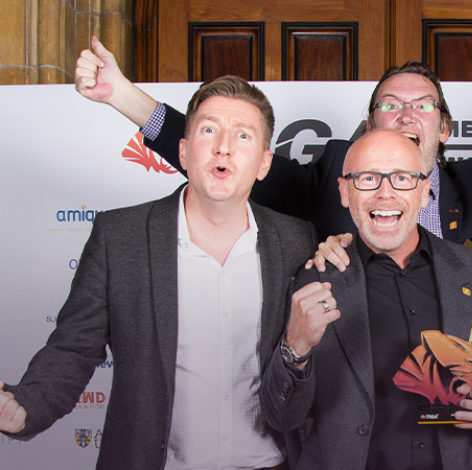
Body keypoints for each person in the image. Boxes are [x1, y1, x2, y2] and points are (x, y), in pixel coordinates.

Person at [74, 40, 472, 247]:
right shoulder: (328, 176)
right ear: (369, 126)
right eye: (389, 105)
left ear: (444, 129)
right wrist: (123, 96)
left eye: (422, 105)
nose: (404, 114)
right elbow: (225, 160)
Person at [0, 76, 316, 470]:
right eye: (209, 130)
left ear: (264, 163)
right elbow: (74, 347)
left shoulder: (297, 241)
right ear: (183, 151)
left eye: (243, 135)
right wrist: (27, 406)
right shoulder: (121, 236)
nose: (224, 146)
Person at [260, 129, 472, 469]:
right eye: (368, 178)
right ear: (345, 192)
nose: (385, 193)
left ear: (424, 192)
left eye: (402, 178)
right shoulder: (311, 279)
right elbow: (281, 417)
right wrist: (295, 348)